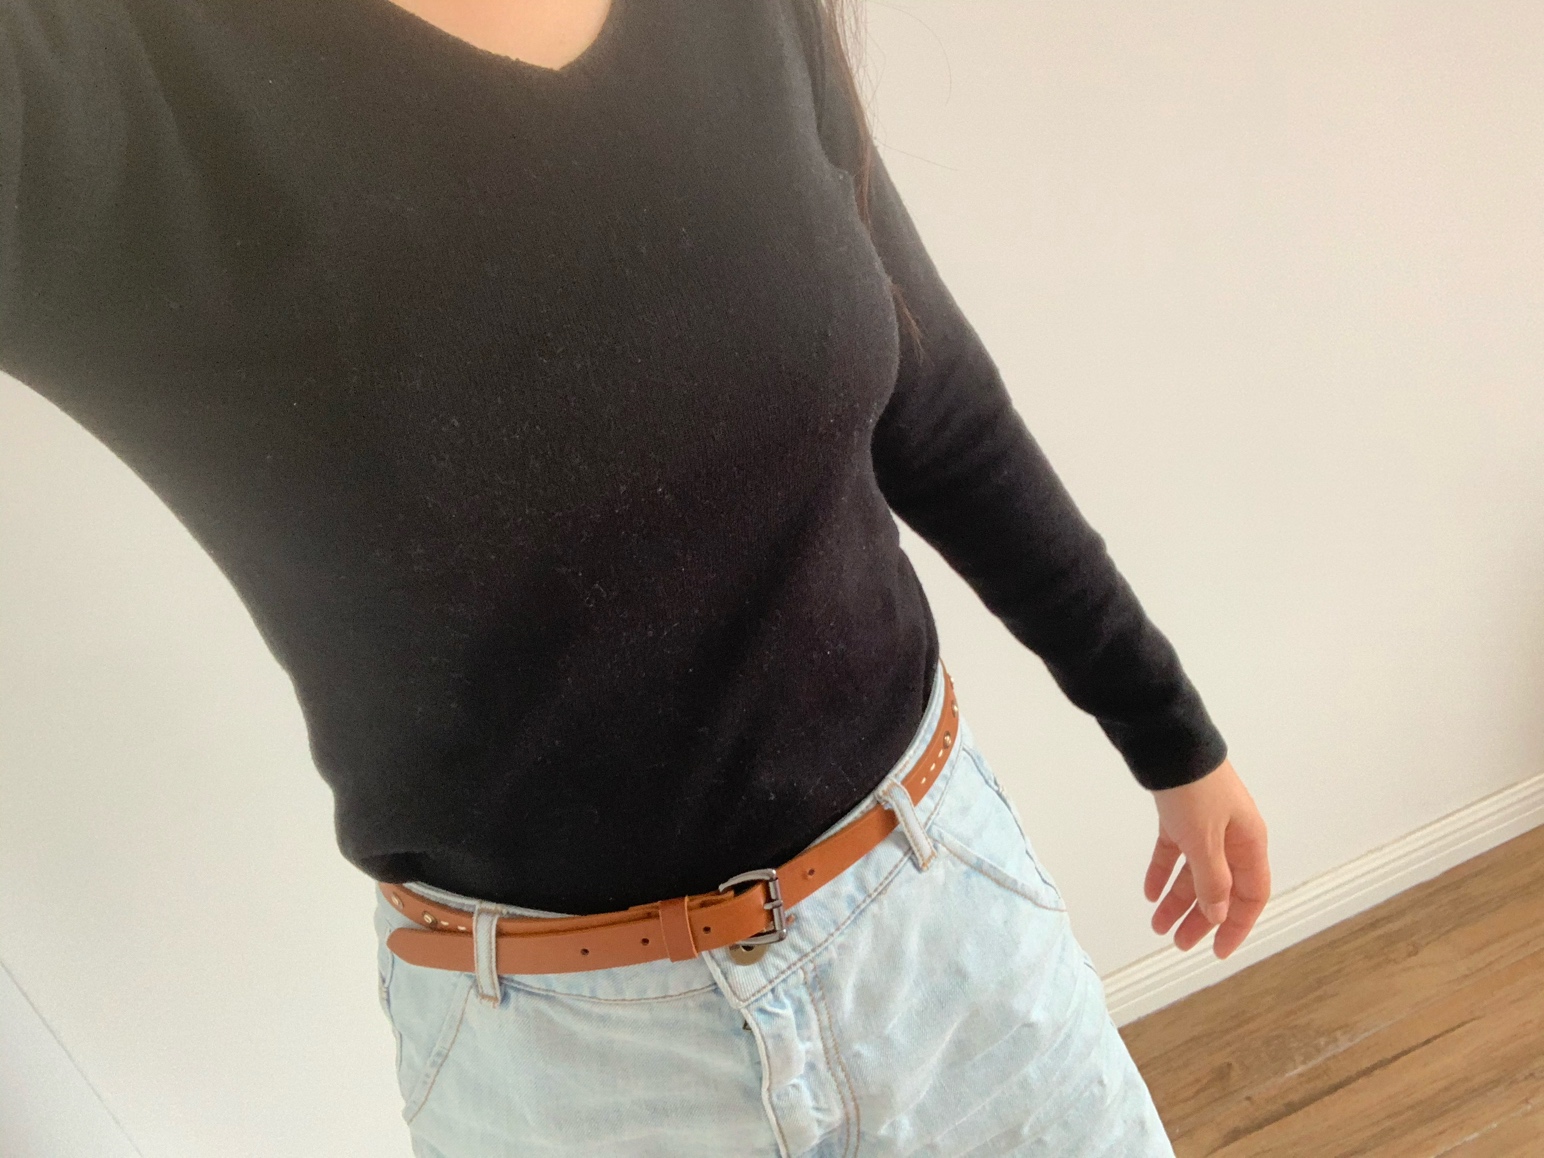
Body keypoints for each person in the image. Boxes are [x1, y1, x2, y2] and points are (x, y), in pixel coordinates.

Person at [0, 0, 1271, 1152]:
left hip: (949, 932)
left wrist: (1167, 731)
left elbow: (929, 399)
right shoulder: (101, 75)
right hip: (572, 1067)